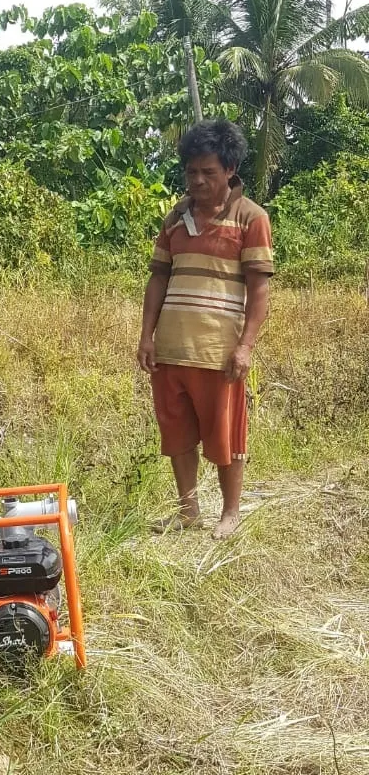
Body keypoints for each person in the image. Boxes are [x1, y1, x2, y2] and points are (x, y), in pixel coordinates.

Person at [136, 119, 274, 540]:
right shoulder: (175, 219)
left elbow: (260, 290)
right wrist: (147, 336)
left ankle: (230, 513)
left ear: (230, 170)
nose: (197, 180)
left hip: (219, 353)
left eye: (208, 172)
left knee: (225, 437)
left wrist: (245, 346)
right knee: (177, 434)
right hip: (171, 350)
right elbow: (158, 278)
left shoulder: (251, 218)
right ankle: (188, 511)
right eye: (191, 171)